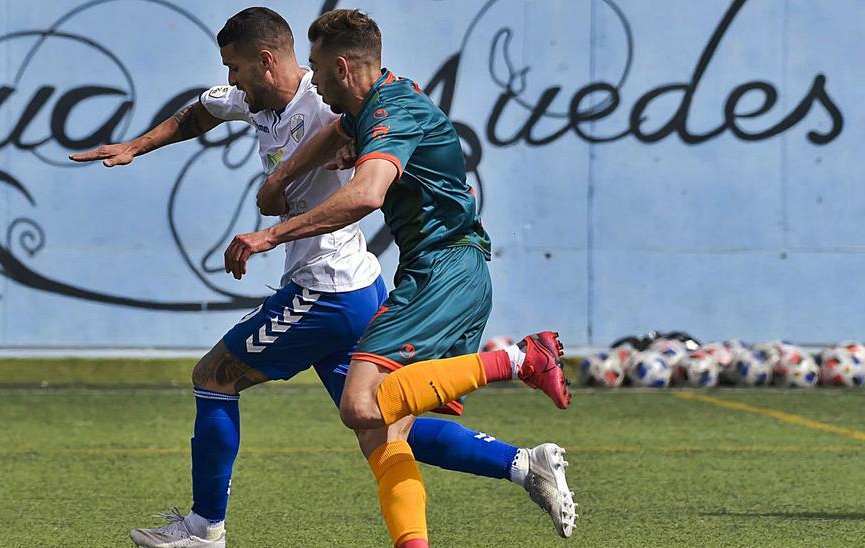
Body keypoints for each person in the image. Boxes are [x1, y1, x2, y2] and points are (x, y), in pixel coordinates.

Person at [74, 8, 572, 547]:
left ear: (267, 61)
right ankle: (523, 464)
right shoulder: (256, 97)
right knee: (379, 424)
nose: (230, 79)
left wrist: (271, 230)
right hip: (358, 284)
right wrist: (134, 147)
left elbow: (365, 179)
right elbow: (199, 114)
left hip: (326, 286)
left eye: (235, 67)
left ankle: (204, 528)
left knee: (214, 377)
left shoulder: (332, 98)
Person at [222, 9, 577, 547]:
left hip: (446, 270)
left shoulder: (394, 109)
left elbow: (366, 195)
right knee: (382, 431)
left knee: (360, 405)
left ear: (342, 67)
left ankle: (524, 358)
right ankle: (501, 482)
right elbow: (333, 136)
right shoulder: (370, 106)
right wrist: (284, 174)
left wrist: (270, 235)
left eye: (316, 68)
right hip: (427, 270)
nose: (311, 79)